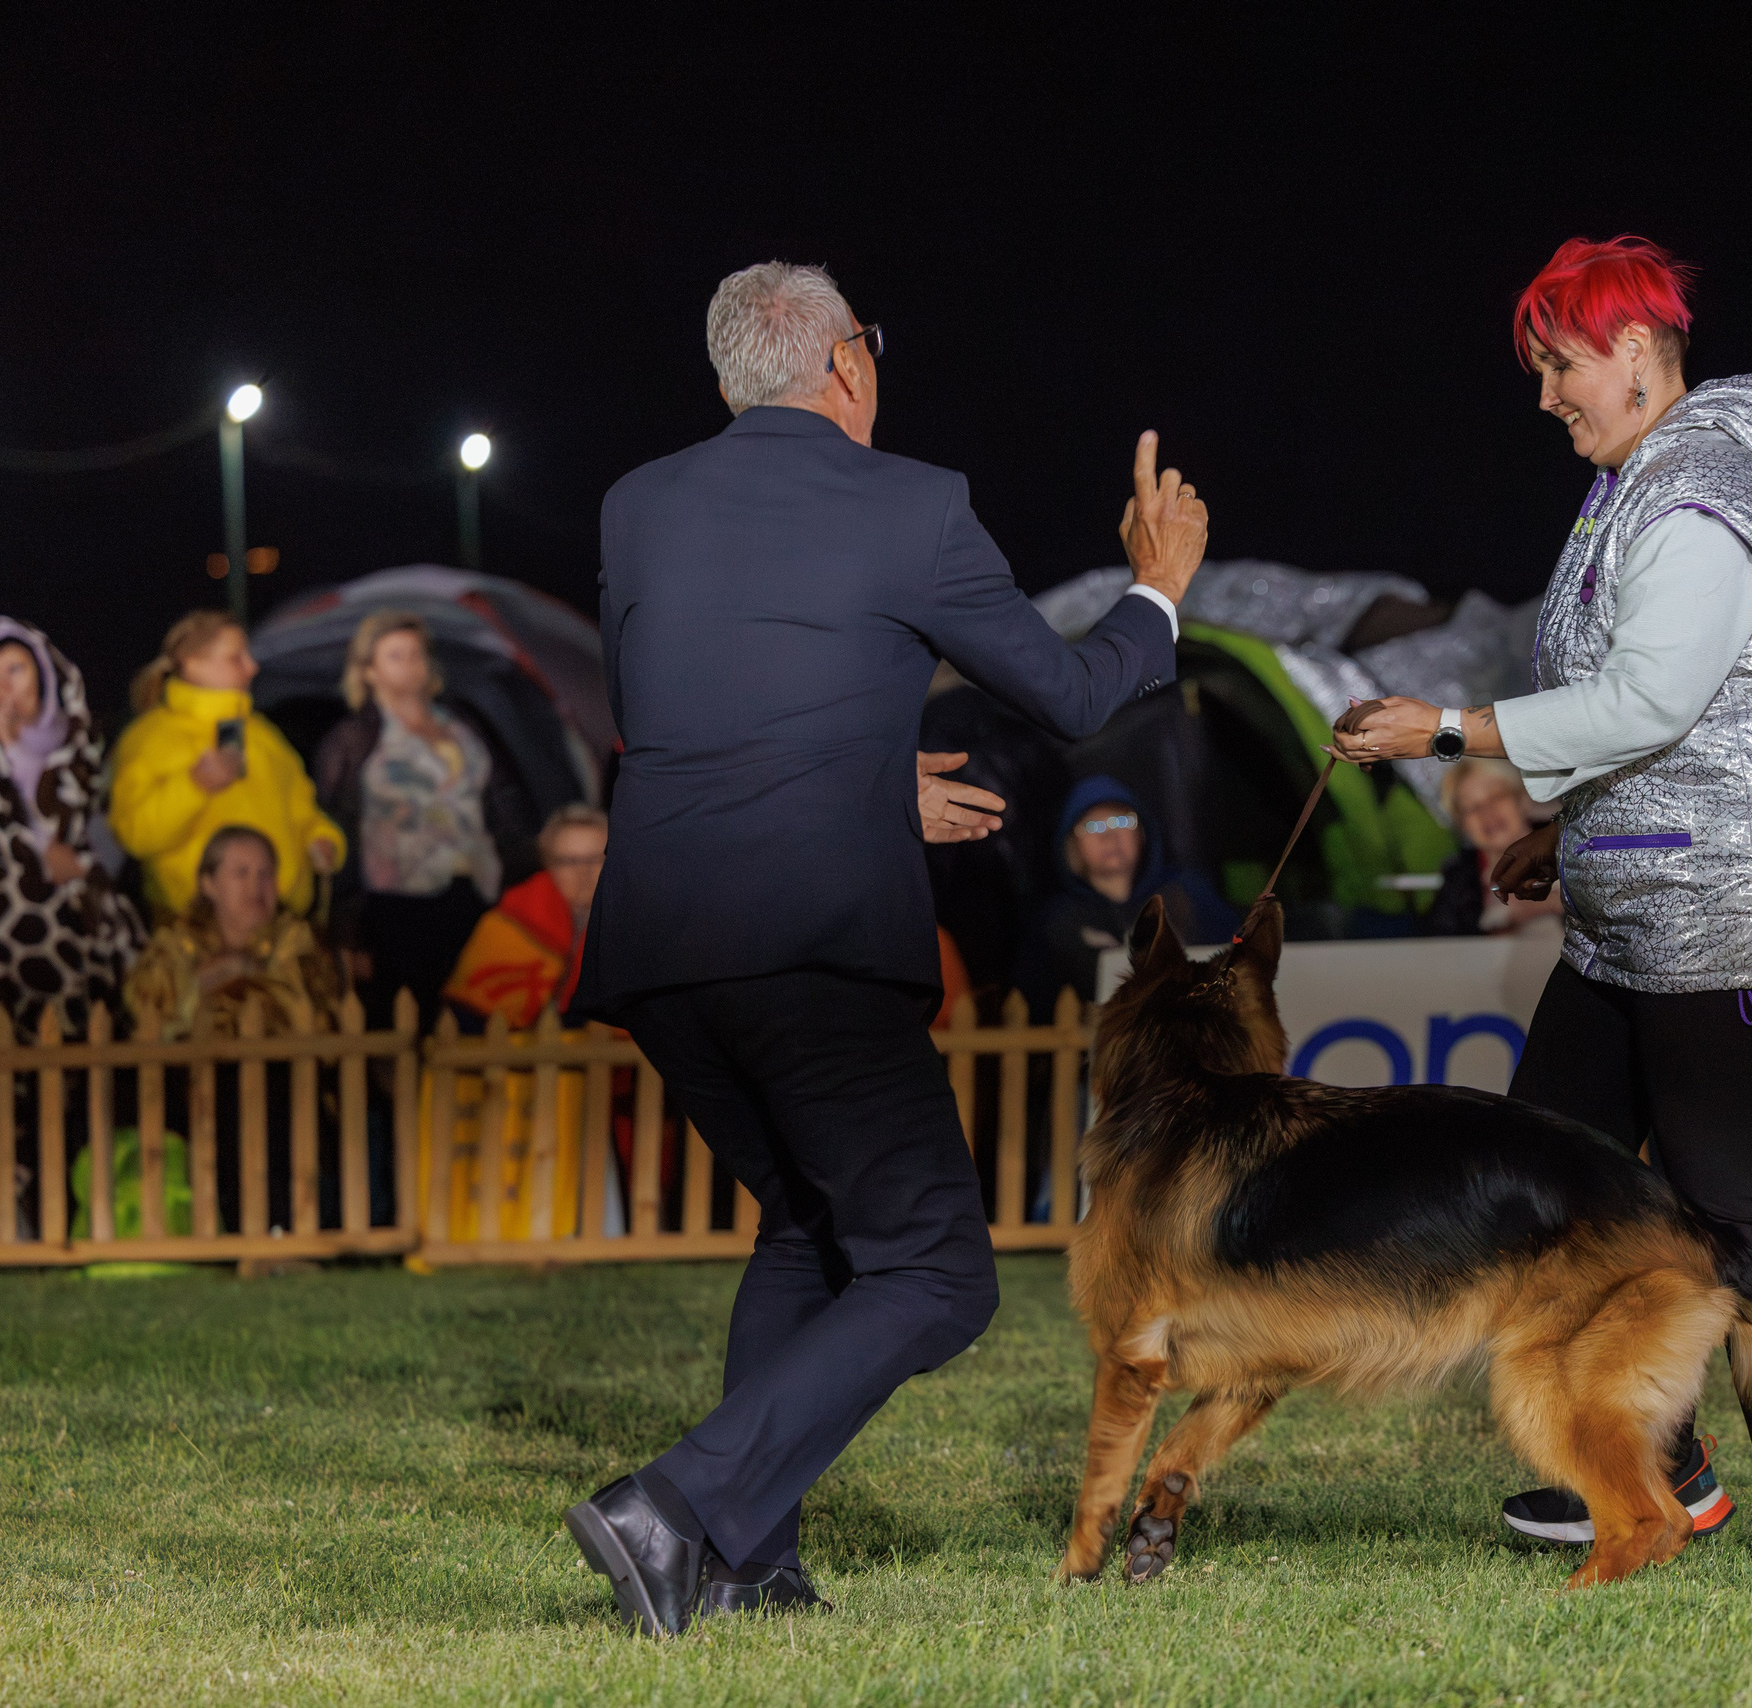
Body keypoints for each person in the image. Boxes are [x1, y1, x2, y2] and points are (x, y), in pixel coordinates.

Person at [559, 259, 1205, 1633]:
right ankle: (674, 1506)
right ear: (846, 362)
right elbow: (1073, 694)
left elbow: (661, 708)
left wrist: (866, 778)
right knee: (936, 1272)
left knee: (807, 1226)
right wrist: (1155, 589)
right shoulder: (913, 503)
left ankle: (745, 1565)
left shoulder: (637, 503)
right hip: (808, 940)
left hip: (660, 939)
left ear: (734, 378)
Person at [1333, 235, 1752, 1553]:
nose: (1544, 396)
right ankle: (1655, 1471)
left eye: (1558, 365)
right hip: (1642, 896)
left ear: (1636, 351)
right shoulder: (1635, 480)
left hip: (1732, 908)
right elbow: (1657, 714)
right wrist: (1565, 829)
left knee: (1741, 1205)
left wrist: (1447, 731)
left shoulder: (1699, 493)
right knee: (1553, 1170)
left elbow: (1648, 701)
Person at [314, 611, 527, 1031]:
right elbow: (336, 831)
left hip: (475, 891)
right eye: (395, 656)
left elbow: (502, 805)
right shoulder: (353, 740)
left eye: (416, 654)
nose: (410, 665)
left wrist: (520, 872)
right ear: (368, 670)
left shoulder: (463, 728)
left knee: (472, 1020)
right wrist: (347, 931)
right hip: (395, 906)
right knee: (404, 1022)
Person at [0, 619, 145, 1041]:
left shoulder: (79, 741)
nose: (3, 685)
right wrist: (36, 851)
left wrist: (76, 864)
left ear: (44, 672)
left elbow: (87, 823)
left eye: (15, 669)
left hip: (75, 890)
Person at [109, 612, 345, 925]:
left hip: (282, 922)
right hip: (198, 928)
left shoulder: (263, 734)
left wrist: (320, 838)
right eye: (236, 658)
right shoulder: (151, 738)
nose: (252, 667)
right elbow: (135, 834)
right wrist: (194, 786)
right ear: (193, 664)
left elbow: (300, 806)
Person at [1013, 776, 1237, 1010]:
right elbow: (1029, 1003)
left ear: (1141, 833)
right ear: (1072, 845)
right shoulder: (1056, 920)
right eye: (1092, 826)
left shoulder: (1187, 894)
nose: (1109, 836)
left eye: (1122, 821)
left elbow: (1239, 961)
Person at [123, 826, 342, 1042]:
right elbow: (151, 1018)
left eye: (265, 874)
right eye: (241, 873)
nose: (255, 885)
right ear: (209, 884)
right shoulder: (173, 943)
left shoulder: (298, 939)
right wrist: (217, 974)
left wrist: (240, 972)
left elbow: (303, 1014)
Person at [444, 803, 607, 1028]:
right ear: (547, 864)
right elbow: (468, 1021)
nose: (584, 873)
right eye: (568, 861)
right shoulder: (506, 924)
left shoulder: (636, 929)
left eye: (596, 859)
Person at [1423, 758, 1562, 936]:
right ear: (1461, 824)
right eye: (1471, 807)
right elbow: (1441, 941)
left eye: (1496, 796)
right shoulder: (1458, 880)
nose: (1486, 813)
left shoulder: (1571, 853)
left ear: (1522, 800)